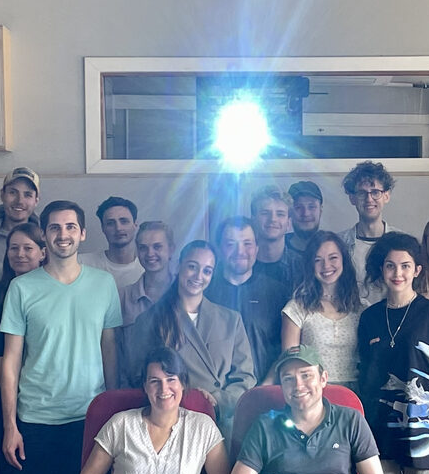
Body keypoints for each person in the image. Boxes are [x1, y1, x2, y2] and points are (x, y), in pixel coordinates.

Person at [0, 200, 122, 474]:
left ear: (82, 233)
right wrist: (10, 426)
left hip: (90, 416)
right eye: (54, 227)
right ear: (44, 234)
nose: (62, 234)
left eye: (70, 227)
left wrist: (114, 411)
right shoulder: (22, 288)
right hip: (36, 419)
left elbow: (110, 350)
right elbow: (10, 362)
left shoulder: (104, 284)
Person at [127, 241, 256, 436]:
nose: (198, 276)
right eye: (192, 267)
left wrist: (218, 400)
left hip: (221, 422)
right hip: (171, 425)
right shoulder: (150, 320)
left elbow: (246, 377)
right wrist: (185, 397)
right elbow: (137, 376)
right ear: (178, 266)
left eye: (207, 271)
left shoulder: (231, 319)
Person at [357, 233, 429, 474]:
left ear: (417, 270)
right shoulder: (369, 317)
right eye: (390, 265)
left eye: (405, 266)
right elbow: (366, 373)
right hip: (379, 430)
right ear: (382, 269)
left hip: (425, 432)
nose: (397, 273)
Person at [230, 345, 386, 474]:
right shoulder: (265, 426)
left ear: (323, 378)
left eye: (306, 375)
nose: (298, 386)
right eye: (288, 379)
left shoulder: (351, 420)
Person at [77, 347, 230, 474]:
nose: (164, 389)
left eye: (171, 380)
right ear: (145, 386)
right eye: (155, 381)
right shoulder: (121, 424)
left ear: (183, 383)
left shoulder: (202, 427)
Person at [0, 222, 46, 474]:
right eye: (14, 248)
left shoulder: (56, 293)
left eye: (28, 248)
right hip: (10, 402)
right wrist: (18, 398)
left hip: (48, 405)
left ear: (43, 252)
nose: (20, 254)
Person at [205, 216, 289, 383]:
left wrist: (267, 385)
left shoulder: (278, 293)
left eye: (247, 244)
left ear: (257, 248)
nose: (240, 251)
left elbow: (287, 349)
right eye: (231, 244)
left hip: (265, 392)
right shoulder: (204, 291)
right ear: (220, 249)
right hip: (215, 395)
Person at [281, 231, 362, 391]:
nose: (326, 266)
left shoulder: (361, 308)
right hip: (311, 392)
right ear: (310, 265)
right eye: (318, 260)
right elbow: (289, 363)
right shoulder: (296, 308)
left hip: (355, 393)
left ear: (344, 260)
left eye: (333, 258)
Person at [337, 160, 400, 305]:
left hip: (393, 324)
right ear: (352, 198)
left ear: (387, 196)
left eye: (375, 192)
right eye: (361, 193)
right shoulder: (339, 245)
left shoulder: (402, 242)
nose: (369, 199)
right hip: (352, 324)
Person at [79, 196, 144, 293]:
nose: (118, 228)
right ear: (103, 228)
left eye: (124, 221)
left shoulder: (146, 268)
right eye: (110, 223)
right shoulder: (82, 263)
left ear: (135, 225)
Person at [120, 221, 174, 329]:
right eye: (143, 248)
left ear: (171, 250)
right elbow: (114, 342)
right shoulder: (123, 297)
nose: (150, 253)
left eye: (157, 247)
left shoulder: (186, 293)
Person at [251, 185, 301, 282]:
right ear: (253, 220)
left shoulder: (302, 267)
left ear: (289, 223)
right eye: (265, 213)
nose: (273, 219)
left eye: (280, 214)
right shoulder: (240, 261)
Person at [0, 167, 41, 260]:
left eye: (27, 195)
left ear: (36, 200)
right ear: (2, 195)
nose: (20, 201)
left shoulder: (44, 237)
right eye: (13, 192)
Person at [285, 180, 324, 259]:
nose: (306, 213)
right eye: (298, 207)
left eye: (311, 207)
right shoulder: (278, 248)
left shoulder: (333, 248)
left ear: (320, 210)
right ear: (289, 212)